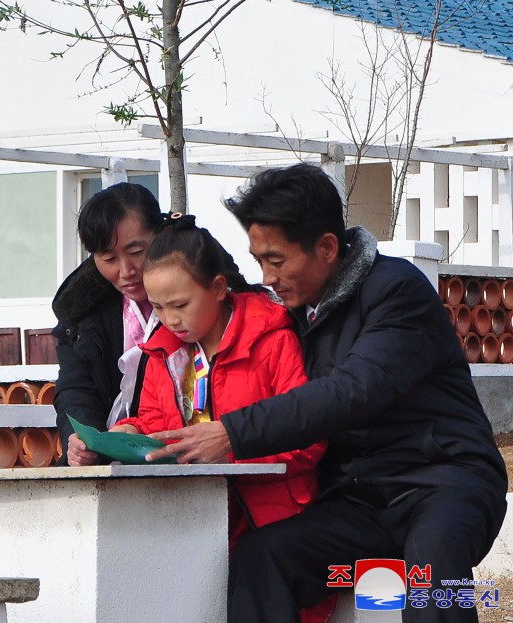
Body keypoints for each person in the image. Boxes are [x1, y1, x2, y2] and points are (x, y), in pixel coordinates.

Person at [145, 164, 508, 623]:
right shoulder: (288, 307)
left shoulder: (398, 293)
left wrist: (233, 433)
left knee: (432, 575)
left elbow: (351, 391)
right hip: (358, 501)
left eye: (276, 261)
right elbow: (204, 287)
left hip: (446, 483)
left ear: (327, 248)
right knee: (264, 556)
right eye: (258, 261)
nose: (267, 277)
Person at [110, 213, 335, 623]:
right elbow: (153, 422)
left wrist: (230, 452)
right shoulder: (162, 352)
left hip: (270, 517)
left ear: (217, 288)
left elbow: (309, 437)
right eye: (157, 307)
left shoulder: (271, 338)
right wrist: (128, 433)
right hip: (193, 517)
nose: (169, 320)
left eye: (180, 305)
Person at [52, 182, 165, 466]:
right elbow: (75, 389)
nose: (126, 271)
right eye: (109, 258)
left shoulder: (197, 303)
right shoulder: (80, 314)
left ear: (162, 235)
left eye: (137, 251)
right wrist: (84, 442)